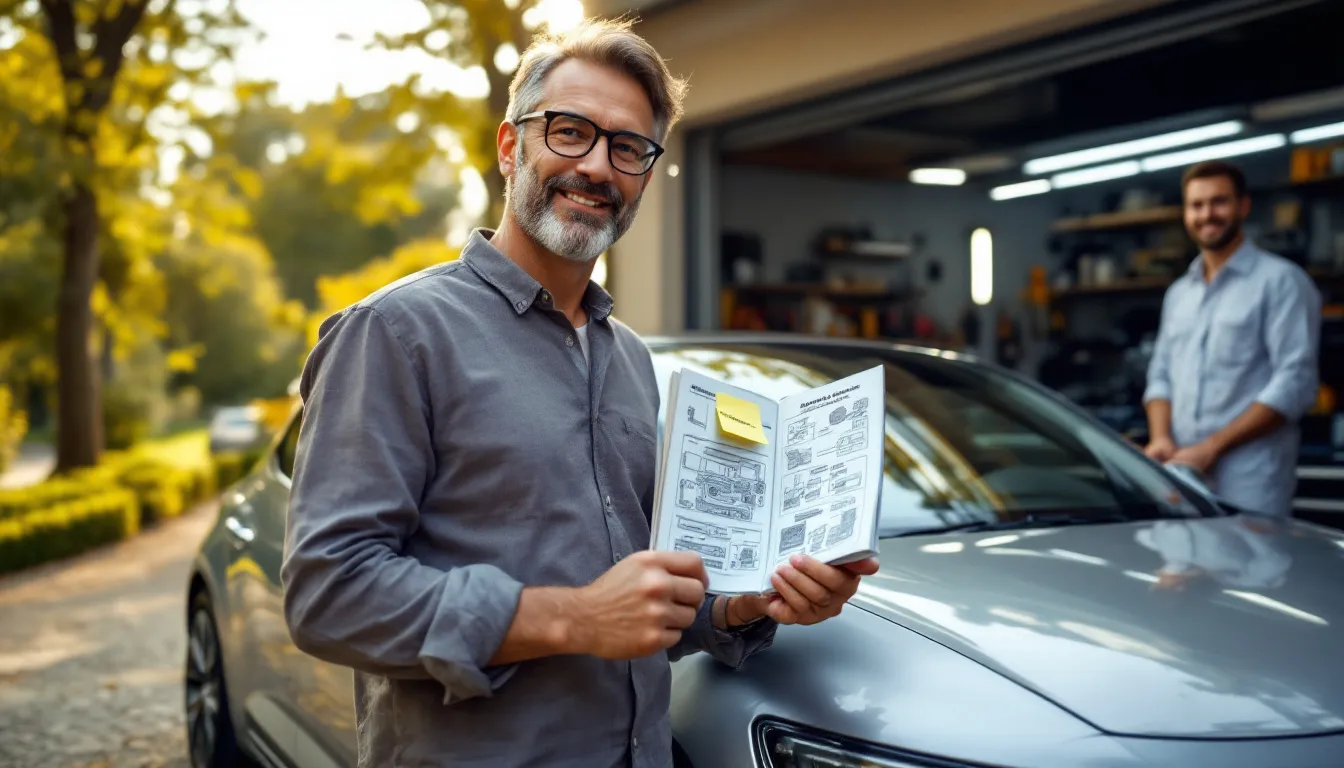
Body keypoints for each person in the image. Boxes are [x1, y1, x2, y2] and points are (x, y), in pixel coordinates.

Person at [280, 17, 879, 768]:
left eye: (628, 147)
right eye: (569, 131)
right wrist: (572, 618)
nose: (597, 166)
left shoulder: (627, 357)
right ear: (510, 146)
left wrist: (742, 606)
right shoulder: (394, 334)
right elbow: (328, 595)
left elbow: (646, 605)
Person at [1143, 160, 1321, 517]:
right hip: (1181, 474)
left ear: (1243, 205)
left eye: (1219, 202)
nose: (1207, 214)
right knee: (1183, 570)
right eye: (1196, 205)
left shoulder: (1281, 282)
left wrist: (1212, 448)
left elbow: (1295, 382)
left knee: (1250, 573)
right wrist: (1160, 437)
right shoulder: (1179, 293)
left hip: (1250, 480)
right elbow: (1160, 376)